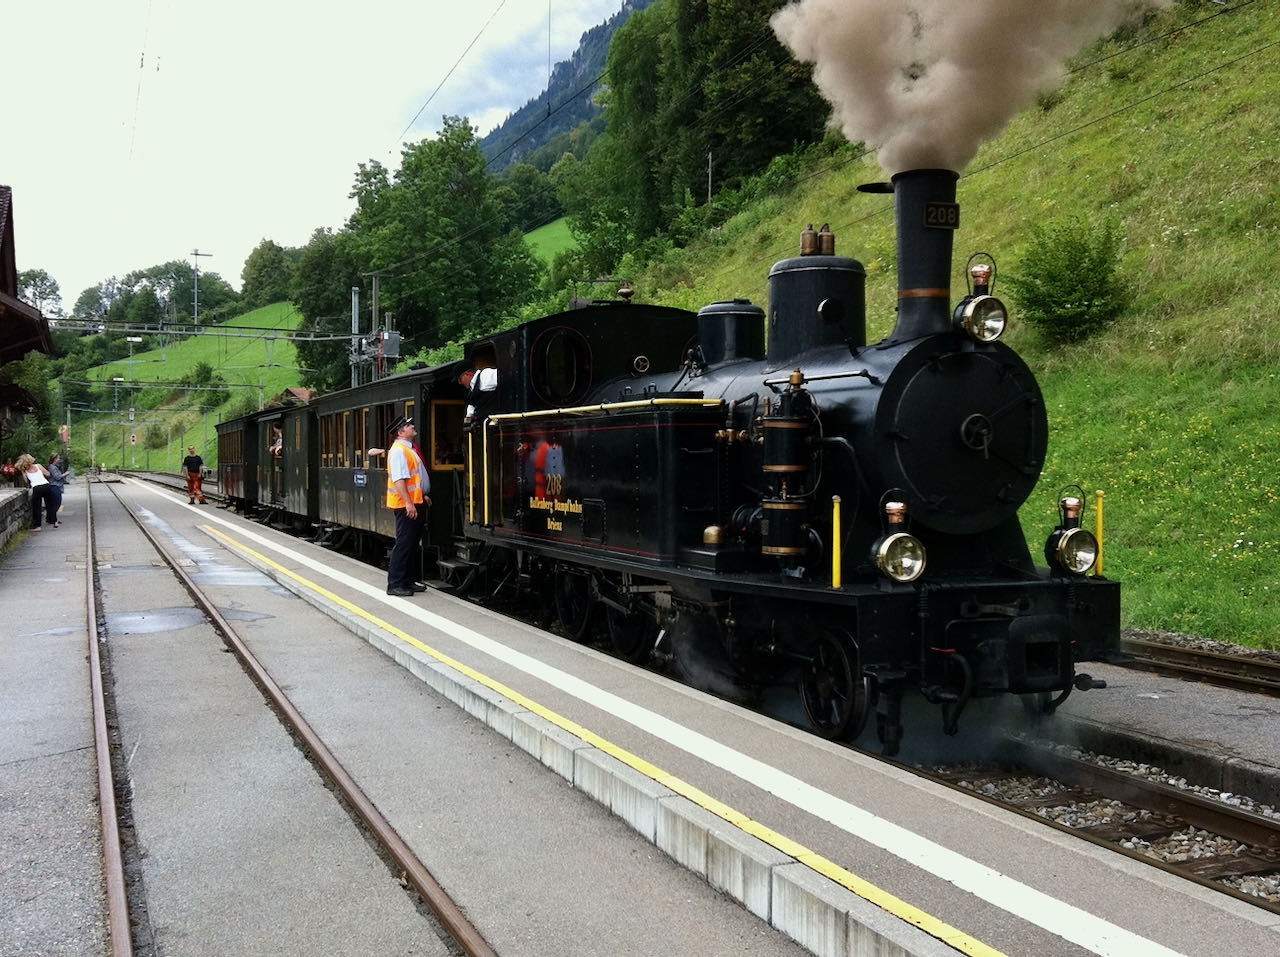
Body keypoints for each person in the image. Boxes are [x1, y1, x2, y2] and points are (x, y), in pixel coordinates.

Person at [384, 415, 431, 597]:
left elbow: (414, 478)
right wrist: (408, 503)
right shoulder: (398, 451)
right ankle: (395, 584)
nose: (412, 427)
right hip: (405, 505)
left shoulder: (407, 449)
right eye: (409, 425)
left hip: (415, 502)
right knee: (404, 543)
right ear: (401, 431)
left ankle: (408, 581)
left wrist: (422, 495)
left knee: (411, 543)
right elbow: (399, 480)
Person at [15, 453, 54, 530]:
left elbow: (26, 481)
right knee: (49, 504)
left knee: (37, 507)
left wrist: (24, 473)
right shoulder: (38, 466)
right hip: (46, 485)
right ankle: (51, 520)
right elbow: (48, 474)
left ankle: (37, 525)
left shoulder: (25, 470)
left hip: (37, 488)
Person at [47, 453, 67, 526]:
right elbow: (57, 477)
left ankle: (51, 519)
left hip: (55, 486)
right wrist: (65, 474)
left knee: (54, 504)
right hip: (54, 486)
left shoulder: (54, 467)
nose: (59, 459)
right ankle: (54, 520)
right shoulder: (52, 467)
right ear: (54, 459)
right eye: (58, 458)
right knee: (56, 504)